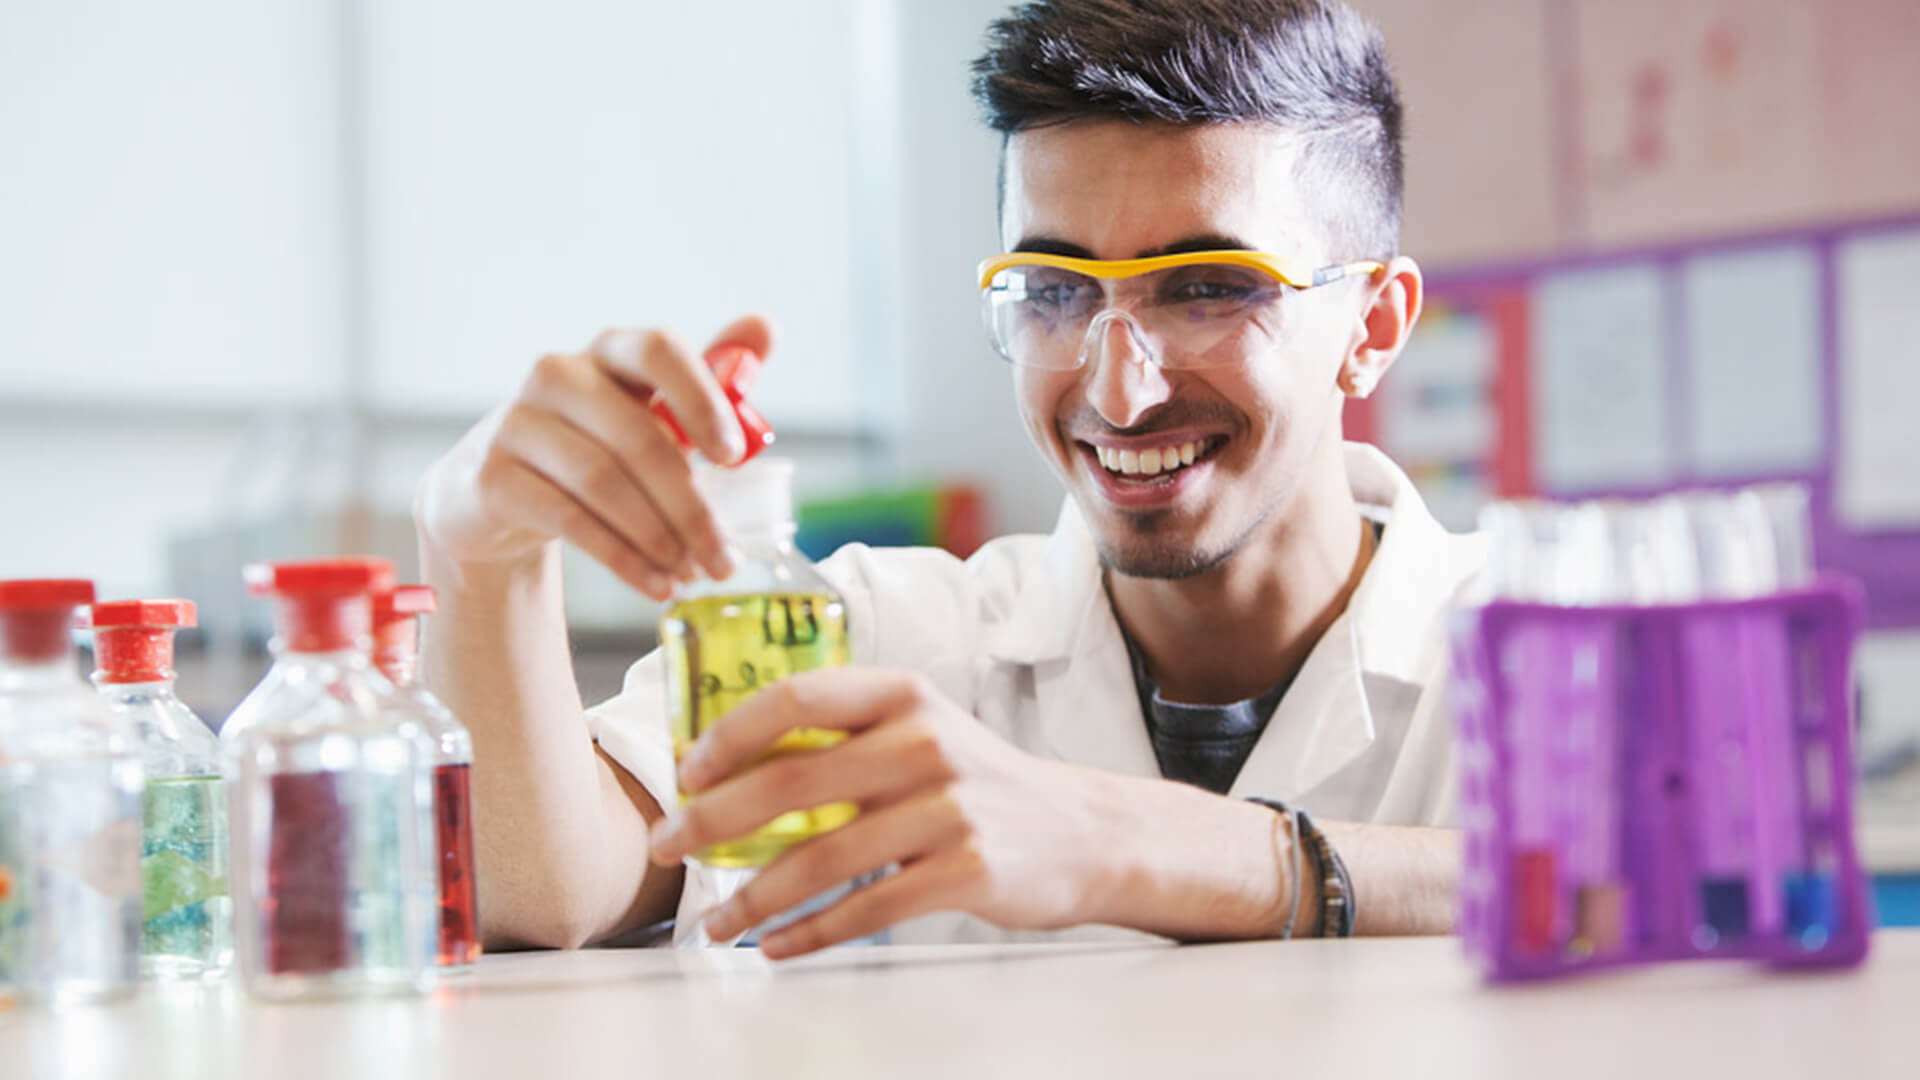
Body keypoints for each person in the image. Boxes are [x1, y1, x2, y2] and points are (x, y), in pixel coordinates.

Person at [413, 0, 1484, 959]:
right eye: (1052, 290)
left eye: (1208, 289)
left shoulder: (1531, 633)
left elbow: (1635, 880)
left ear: (1374, 326)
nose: (1120, 392)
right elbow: (536, 895)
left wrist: (1148, 844)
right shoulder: (886, 642)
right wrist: (480, 557)